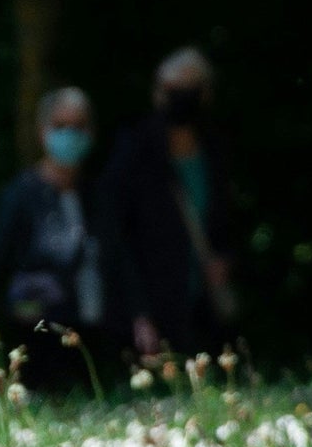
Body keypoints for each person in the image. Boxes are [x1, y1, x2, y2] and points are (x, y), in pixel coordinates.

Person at [101, 46, 238, 365]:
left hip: (205, 305)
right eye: (170, 89)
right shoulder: (135, 152)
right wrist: (138, 312)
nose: (177, 98)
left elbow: (229, 224)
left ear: (204, 93)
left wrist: (227, 259)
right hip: (152, 309)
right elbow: (117, 237)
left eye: (186, 90)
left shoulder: (216, 150)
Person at [0, 86, 110, 393]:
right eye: (60, 127)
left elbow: (117, 260)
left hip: (91, 326)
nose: (69, 136)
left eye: (78, 126)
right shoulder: (21, 194)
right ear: (42, 131)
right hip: (35, 327)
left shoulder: (97, 195)